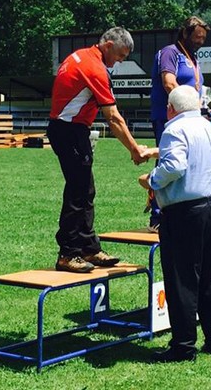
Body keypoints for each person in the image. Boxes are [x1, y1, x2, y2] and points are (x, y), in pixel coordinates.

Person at [48, 27, 153, 273]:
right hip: (69, 130)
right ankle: (68, 254)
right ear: (107, 45)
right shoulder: (94, 68)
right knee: (78, 191)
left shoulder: (81, 56)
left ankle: (88, 248)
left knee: (85, 189)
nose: (120, 61)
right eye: (119, 55)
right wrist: (134, 149)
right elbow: (113, 117)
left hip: (70, 130)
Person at [138, 85, 211, 362]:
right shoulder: (207, 126)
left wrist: (151, 180)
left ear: (171, 108)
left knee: (182, 279)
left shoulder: (173, 129)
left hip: (186, 211)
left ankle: (183, 346)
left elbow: (175, 166)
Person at [147, 16, 210, 231]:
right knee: (167, 158)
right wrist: (188, 106)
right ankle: (157, 215)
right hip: (169, 116)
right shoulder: (170, 52)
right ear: (184, 33)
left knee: (188, 160)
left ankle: (180, 208)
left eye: (204, 38)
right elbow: (169, 82)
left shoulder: (192, 57)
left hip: (191, 117)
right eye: (197, 37)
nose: (200, 41)